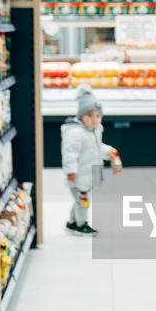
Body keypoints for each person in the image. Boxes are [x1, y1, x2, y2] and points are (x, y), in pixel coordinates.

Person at [60, 84, 121, 236]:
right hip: (79, 176)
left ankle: (72, 222)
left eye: (98, 116)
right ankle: (82, 224)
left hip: (89, 174)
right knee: (83, 201)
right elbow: (70, 154)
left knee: (80, 200)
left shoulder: (94, 131)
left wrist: (108, 152)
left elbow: (96, 148)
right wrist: (71, 172)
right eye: (90, 116)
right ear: (81, 115)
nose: (94, 120)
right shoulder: (75, 133)